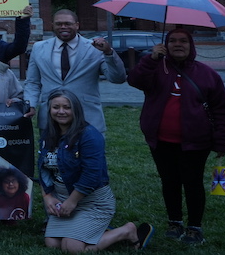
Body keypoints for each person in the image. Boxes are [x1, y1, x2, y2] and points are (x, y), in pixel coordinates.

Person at [127, 27, 225, 245]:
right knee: (170, 182)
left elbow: (222, 109)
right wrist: (151, 58)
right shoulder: (157, 69)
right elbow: (134, 80)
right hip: (161, 140)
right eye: (173, 41)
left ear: (191, 45)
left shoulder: (207, 74)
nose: (178, 44)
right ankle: (174, 222)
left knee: (193, 183)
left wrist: (222, 140)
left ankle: (194, 227)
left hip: (196, 142)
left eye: (183, 41)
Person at [38, 88, 153, 251]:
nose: (61, 111)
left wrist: (72, 202)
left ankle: (126, 231)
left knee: (71, 248)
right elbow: (43, 170)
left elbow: (91, 174)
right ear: (49, 110)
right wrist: (48, 197)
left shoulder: (89, 135)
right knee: (53, 244)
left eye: (67, 107)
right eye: (56, 107)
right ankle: (92, 230)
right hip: (62, 199)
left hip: (92, 201)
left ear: (75, 110)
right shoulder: (48, 135)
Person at [25, 8, 126, 134]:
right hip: (51, 119)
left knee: (89, 154)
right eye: (58, 24)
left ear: (77, 25)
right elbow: (32, 82)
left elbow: (118, 78)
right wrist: (30, 104)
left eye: (67, 24)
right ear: (52, 25)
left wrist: (108, 53)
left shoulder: (95, 48)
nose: (63, 27)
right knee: (51, 154)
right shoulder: (38, 48)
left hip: (87, 117)